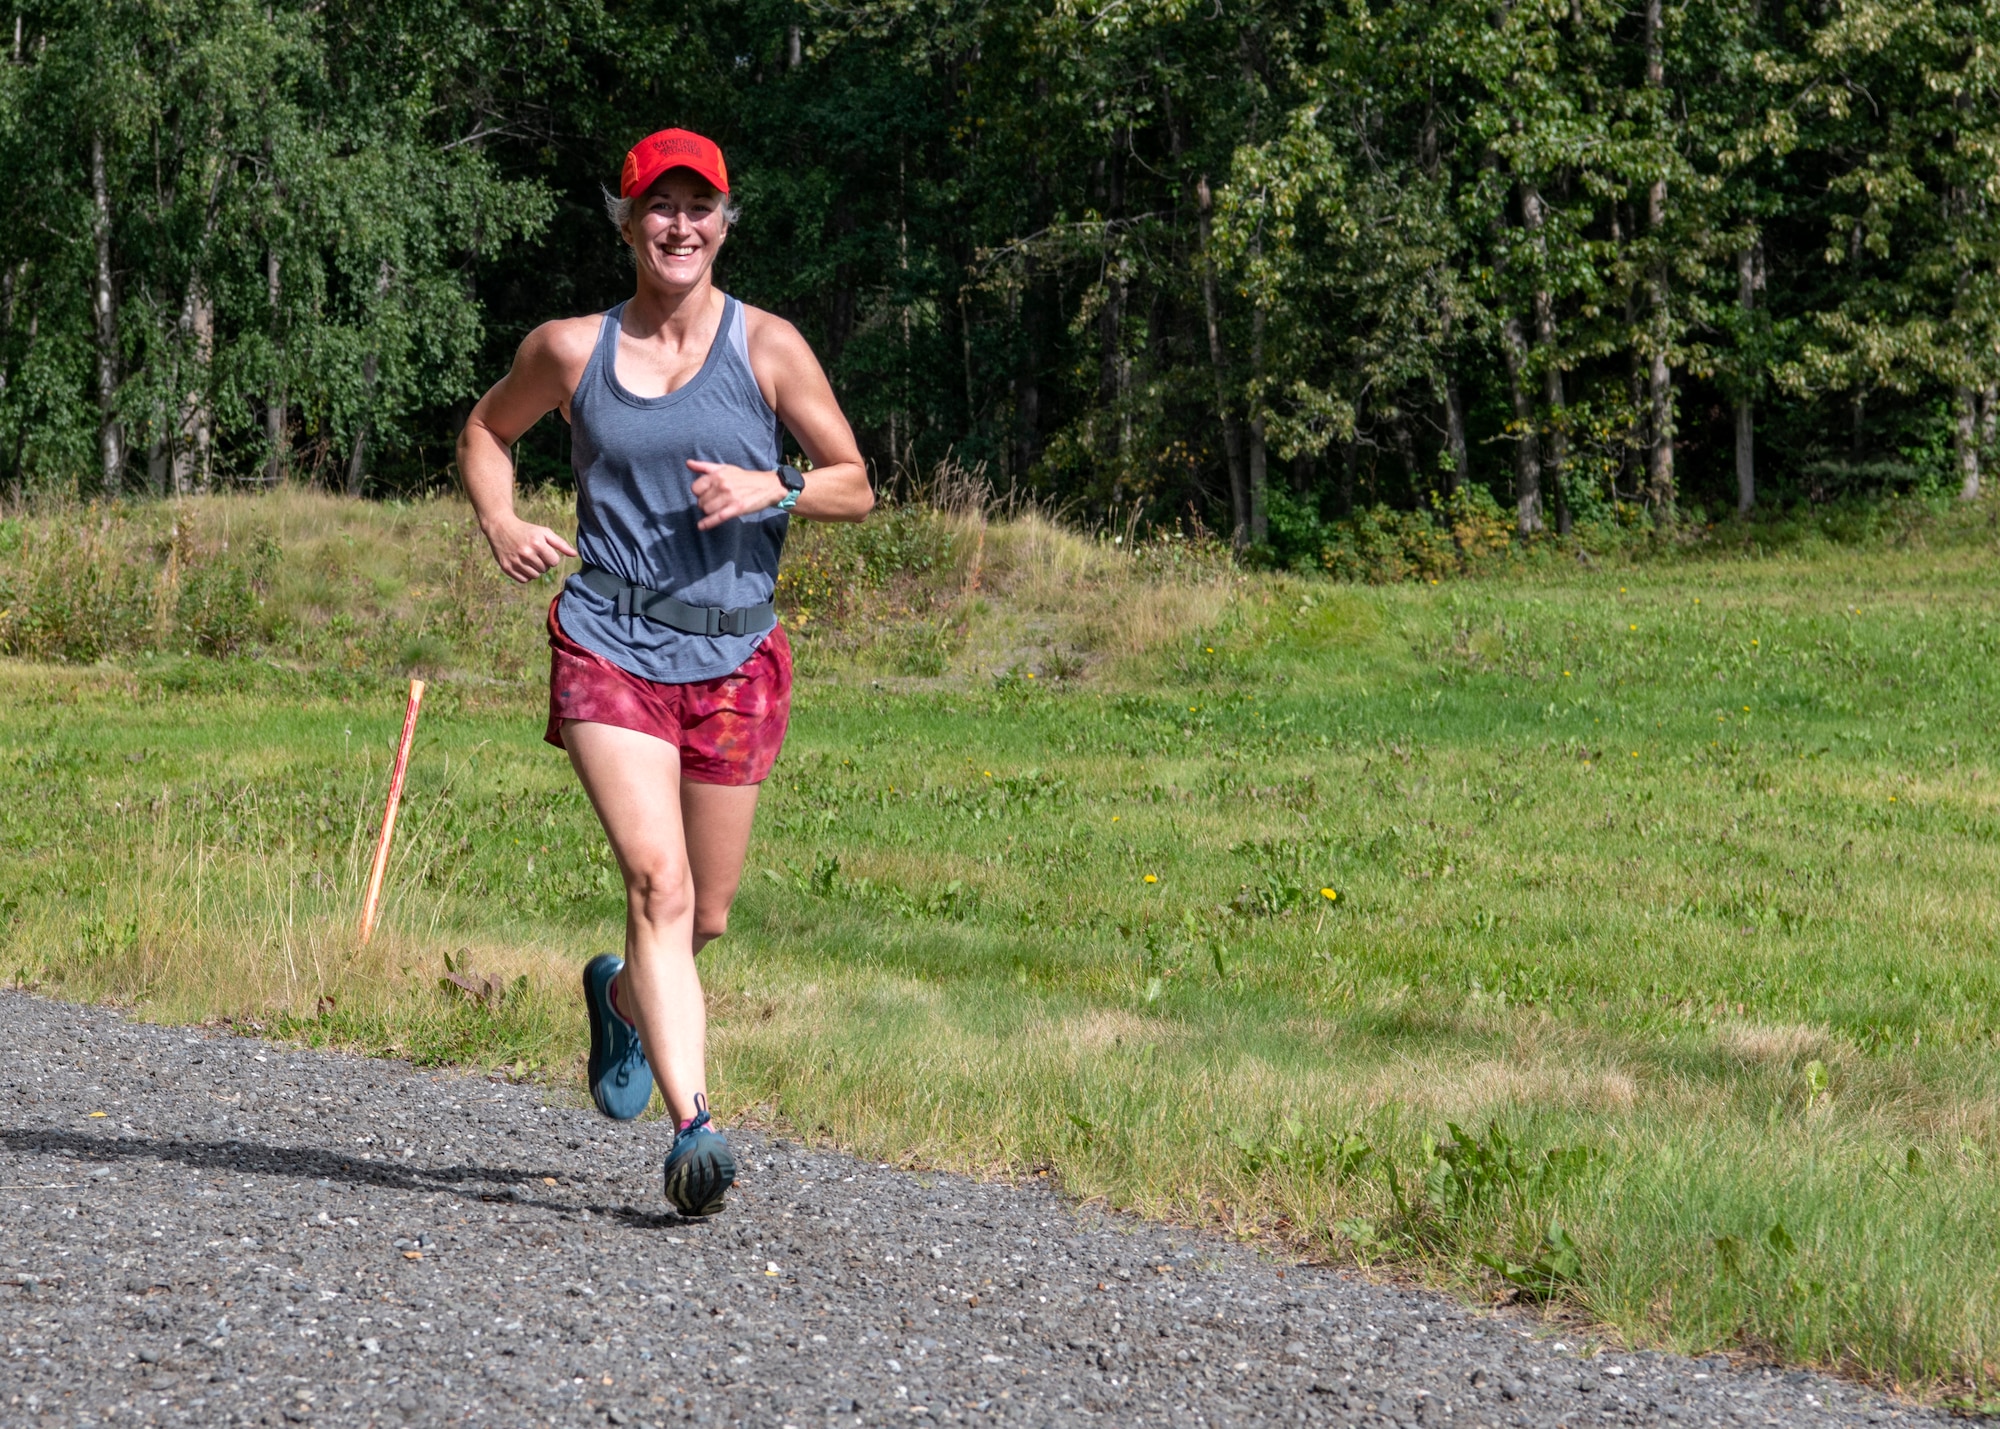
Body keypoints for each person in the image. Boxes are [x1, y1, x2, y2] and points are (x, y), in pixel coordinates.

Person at [458, 128, 872, 1218]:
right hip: (609, 638)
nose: (678, 225)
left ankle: (625, 998)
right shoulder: (569, 349)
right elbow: (487, 432)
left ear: (724, 221)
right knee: (659, 881)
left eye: (699, 207)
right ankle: (694, 1130)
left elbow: (853, 483)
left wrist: (770, 488)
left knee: (706, 918)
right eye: (658, 206)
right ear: (627, 220)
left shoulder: (768, 346)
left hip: (732, 654)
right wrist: (500, 517)